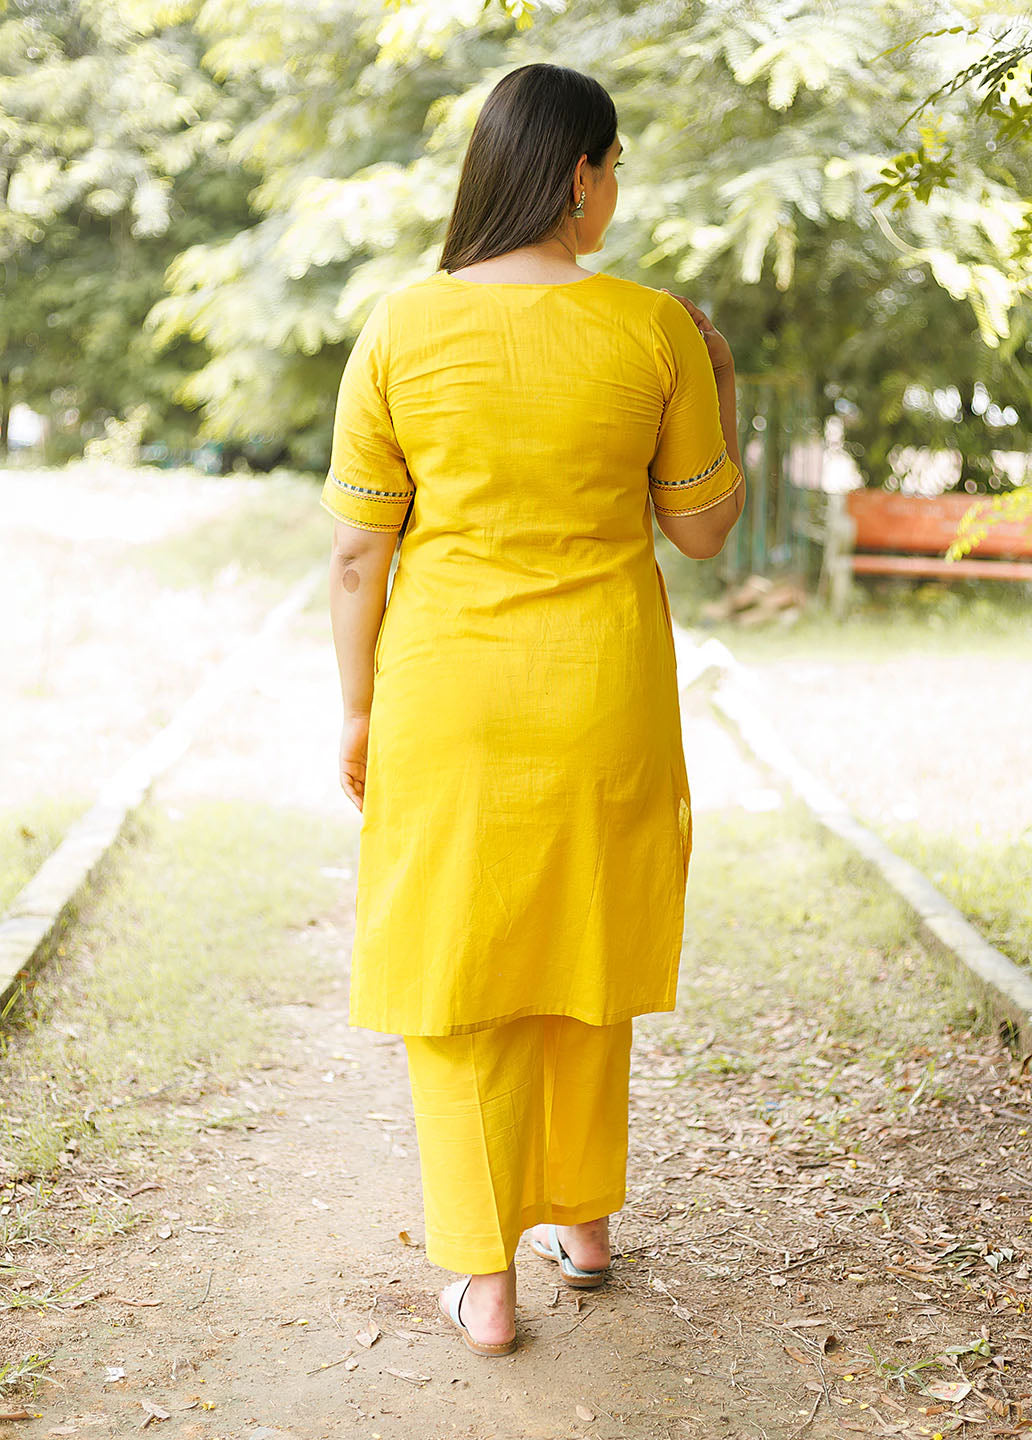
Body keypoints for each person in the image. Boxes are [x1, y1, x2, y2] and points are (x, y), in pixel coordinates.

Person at [322, 61, 745, 1358]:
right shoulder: (655, 327)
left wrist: (356, 712)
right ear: (580, 173)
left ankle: (485, 1284)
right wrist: (718, 389)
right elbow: (703, 530)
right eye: (612, 168)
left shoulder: (399, 326)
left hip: (449, 700)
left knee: (458, 975)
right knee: (583, 947)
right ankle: (586, 1223)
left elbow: (357, 556)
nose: (615, 192)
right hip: (603, 697)